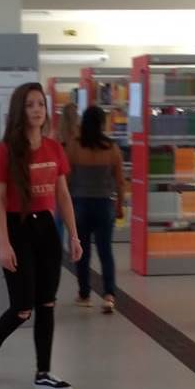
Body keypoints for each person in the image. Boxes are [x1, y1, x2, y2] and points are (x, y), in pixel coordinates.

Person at [0, 82, 83, 389]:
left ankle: (43, 372)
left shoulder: (54, 148)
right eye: (30, 104)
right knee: (22, 307)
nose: (37, 110)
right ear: (19, 111)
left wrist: (74, 235)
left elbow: (62, 195)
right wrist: (3, 243)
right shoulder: (4, 151)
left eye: (41, 104)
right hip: (16, 227)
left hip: (46, 228)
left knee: (47, 303)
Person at [66, 105, 125, 313]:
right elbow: (120, 181)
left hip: (79, 204)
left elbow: (66, 178)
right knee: (105, 251)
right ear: (102, 124)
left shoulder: (74, 147)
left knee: (81, 251)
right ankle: (109, 295)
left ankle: (84, 294)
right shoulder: (112, 148)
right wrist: (120, 205)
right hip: (104, 205)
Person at [52, 101, 80, 244]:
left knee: (58, 221)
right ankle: (73, 247)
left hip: (59, 183)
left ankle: (58, 249)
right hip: (76, 185)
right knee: (74, 224)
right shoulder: (80, 137)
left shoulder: (56, 135)